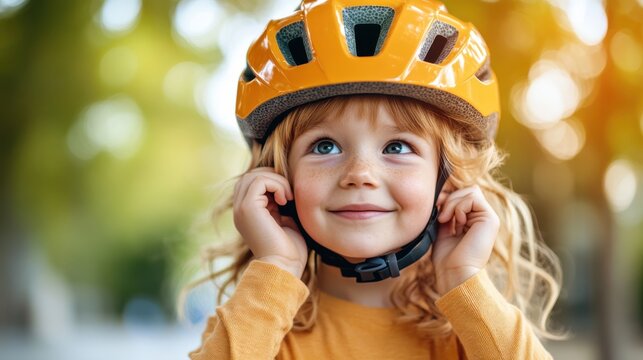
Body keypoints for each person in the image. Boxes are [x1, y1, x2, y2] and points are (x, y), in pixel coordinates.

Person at [187, 0, 566, 358]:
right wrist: (277, 267)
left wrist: (463, 279)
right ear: (279, 177)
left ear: (448, 180)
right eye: (324, 146)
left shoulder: (472, 332)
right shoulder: (253, 327)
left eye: (398, 147)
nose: (359, 175)